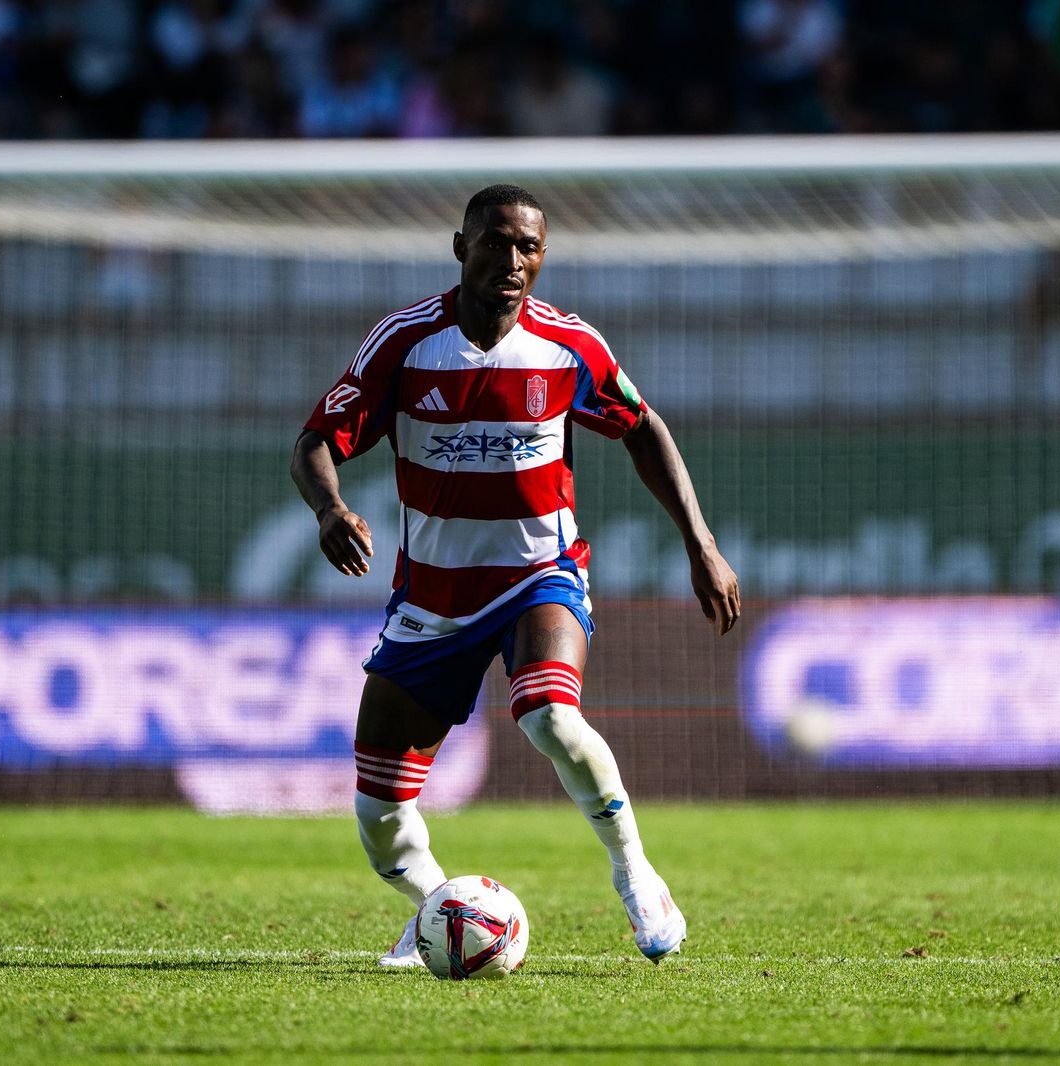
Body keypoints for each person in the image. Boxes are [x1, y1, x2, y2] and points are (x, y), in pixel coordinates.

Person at [291, 183, 741, 966]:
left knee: (549, 715)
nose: (511, 260)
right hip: (433, 598)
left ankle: (638, 876)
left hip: (540, 575)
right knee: (379, 817)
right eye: (496, 242)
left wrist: (699, 541)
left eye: (528, 247)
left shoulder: (569, 346)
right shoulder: (404, 344)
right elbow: (315, 441)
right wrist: (329, 509)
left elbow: (642, 428)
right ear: (460, 247)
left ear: (542, 257)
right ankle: (440, 910)